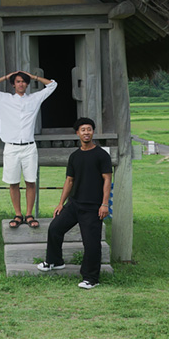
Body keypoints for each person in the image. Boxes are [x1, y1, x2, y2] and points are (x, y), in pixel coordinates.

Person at [37, 117, 112, 289]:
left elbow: (107, 180)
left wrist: (105, 204)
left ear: (93, 132)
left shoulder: (101, 155)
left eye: (89, 129)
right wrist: (60, 203)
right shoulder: (75, 156)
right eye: (83, 130)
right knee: (55, 228)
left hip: (93, 207)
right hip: (74, 204)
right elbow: (69, 181)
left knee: (91, 243)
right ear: (77, 133)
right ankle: (54, 261)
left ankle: (91, 278)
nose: (86, 132)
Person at [0, 70, 57, 229]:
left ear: (27, 84)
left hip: (29, 147)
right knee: (13, 182)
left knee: (31, 181)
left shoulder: (34, 99)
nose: (21, 84)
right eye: (17, 81)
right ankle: (18, 214)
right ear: (13, 84)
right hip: (11, 147)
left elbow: (52, 85)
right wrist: (7, 76)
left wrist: (33, 76)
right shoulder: (4, 99)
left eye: (24, 81)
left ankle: (29, 214)